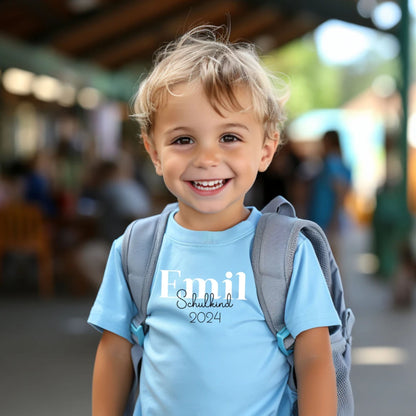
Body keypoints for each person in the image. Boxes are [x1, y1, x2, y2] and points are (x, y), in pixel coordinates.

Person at [88, 25, 340, 416]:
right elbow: (114, 352)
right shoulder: (135, 250)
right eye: (183, 139)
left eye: (229, 138)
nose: (206, 158)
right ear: (154, 152)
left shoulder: (287, 254)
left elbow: (314, 361)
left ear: (266, 149)